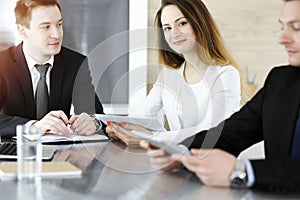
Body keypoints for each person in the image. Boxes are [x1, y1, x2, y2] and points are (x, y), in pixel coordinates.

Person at [141, 0, 300, 191]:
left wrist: (244, 170)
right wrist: (181, 152)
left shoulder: (225, 74)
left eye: (296, 27)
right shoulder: (280, 81)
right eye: (282, 26)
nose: (282, 38)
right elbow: (231, 133)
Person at [106, 0, 248, 145]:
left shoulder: (226, 75)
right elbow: (142, 116)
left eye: (182, 23)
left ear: (199, 23)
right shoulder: (168, 75)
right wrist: (120, 128)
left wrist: (153, 137)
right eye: (167, 28)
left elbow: (210, 130)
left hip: (211, 161)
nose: (174, 33)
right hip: (176, 159)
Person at [0, 0, 104, 136]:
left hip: (61, 153)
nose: (57, 34)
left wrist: (93, 123)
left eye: (59, 24)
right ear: (22, 30)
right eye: (46, 27)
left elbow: (96, 114)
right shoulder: (3, 64)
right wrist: (34, 126)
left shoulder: (76, 63)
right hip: (15, 151)